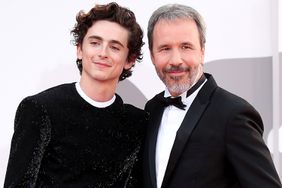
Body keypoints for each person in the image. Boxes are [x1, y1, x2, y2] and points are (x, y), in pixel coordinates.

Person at [4, 2, 147, 187]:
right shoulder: (41, 109)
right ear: (80, 49)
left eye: (115, 47)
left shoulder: (138, 123)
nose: (103, 53)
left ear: (130, 60)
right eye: (95, 43)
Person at [143, 3, 281, 188]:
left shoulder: (234, 114)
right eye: (165, 48)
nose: (176, 60)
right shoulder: (152, 109)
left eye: (186, 47)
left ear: (202, 51)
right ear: (152, 55)